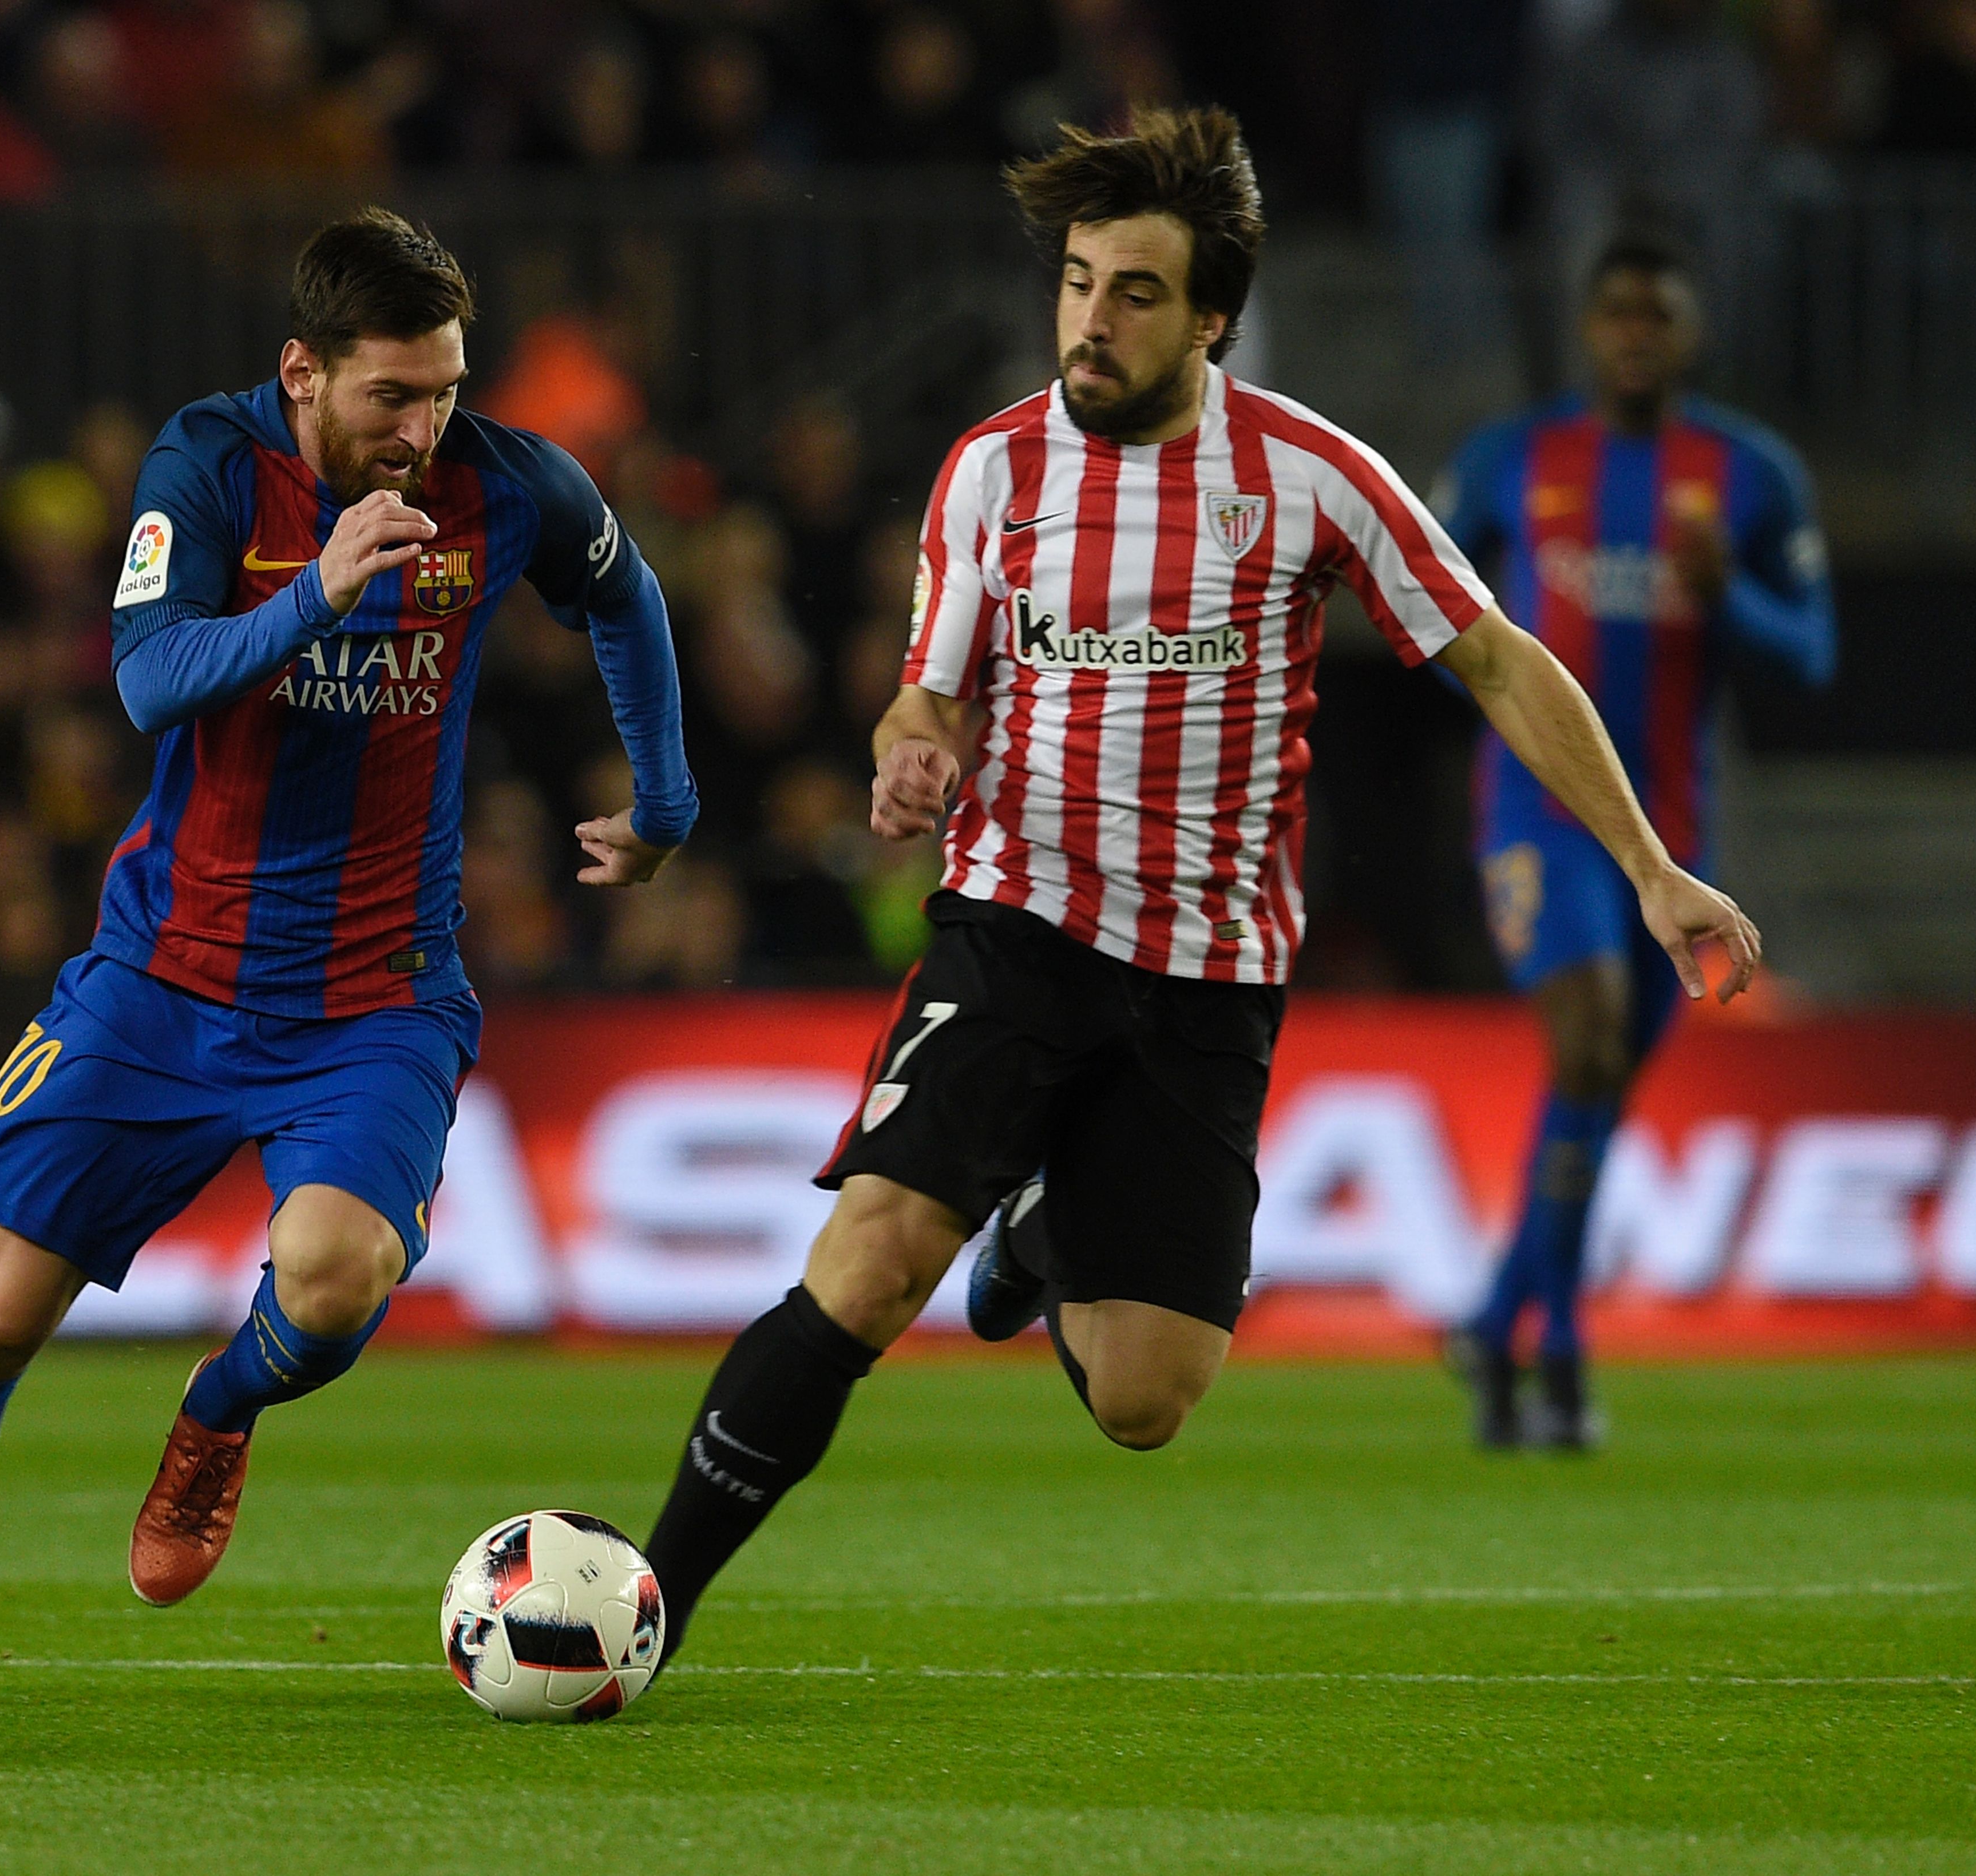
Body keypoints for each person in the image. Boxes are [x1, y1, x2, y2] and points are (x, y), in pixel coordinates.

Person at [632, 110, 1765, 1664]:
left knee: (1150, 1401)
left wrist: (1651, 870)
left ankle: (1035, 1235)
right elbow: (932, 696)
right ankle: (646, 1605)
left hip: (1206, 977)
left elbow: (1495, 656)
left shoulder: (1309, 476)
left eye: (1138, 292)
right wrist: (912, 746)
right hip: (1013, 924)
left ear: (1214, 313)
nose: (1093, 321)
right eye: (1080, 282)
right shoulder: (991, 472)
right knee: (876, 1259)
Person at [0, 208, 697, 1707]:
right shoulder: (211, 466)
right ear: (304, 372)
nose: (426, 429)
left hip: (377, 997)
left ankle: (217, 1415)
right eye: (391, 396)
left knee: (335, 1280)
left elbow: (626, 593)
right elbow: (152, 680)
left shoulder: (508, 483)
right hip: (164, 978)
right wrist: (316, 592)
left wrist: (664, 795)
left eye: (447, 391)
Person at [1436, 233, 1833, 1450]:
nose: (1634, 334)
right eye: (1616, 312)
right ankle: (1556, 1350)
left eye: (1657, 314)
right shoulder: (1508, 460)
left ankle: (1497, 1319)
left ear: (1687, 331)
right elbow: (1429, 616)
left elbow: (1813, 656)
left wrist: (1732, 597)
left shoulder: (1751, 472)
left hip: (1677, 838)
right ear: (1588, 326)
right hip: (1532, 818)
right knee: (1592, 1039)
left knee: (1594, 1090)